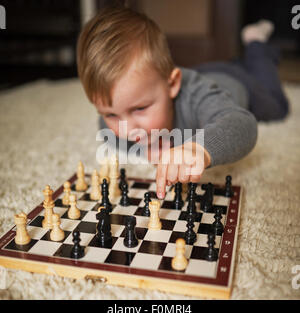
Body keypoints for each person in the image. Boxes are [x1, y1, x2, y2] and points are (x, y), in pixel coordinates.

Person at [76, 6, 289, 199]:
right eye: (111, 114)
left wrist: (200, 149)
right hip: (203, 72)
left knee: (277, 106)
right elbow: (105, 128)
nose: (126, 129)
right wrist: (143, 149)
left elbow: (243, 124)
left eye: (139, 109)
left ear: (173, 83)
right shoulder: (121, 120)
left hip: (240, 84)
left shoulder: (196, 96)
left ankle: (256, 43)